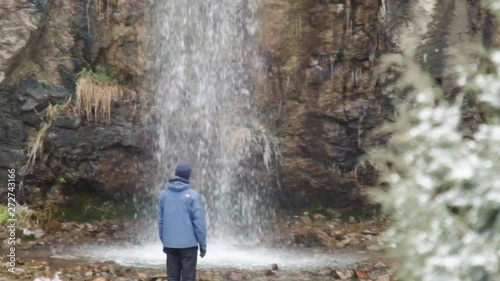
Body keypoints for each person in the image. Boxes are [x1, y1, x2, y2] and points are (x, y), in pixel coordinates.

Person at [157, 162, 207, 281]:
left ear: (176, 173)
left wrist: (165, 240)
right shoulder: (193, 196)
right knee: (188, 277)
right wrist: (202, 245)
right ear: (188, 176)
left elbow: (160, 221)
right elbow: (199, 223)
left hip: (170, 244)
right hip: (189, 246)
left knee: (172, 277)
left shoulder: (163, 195)